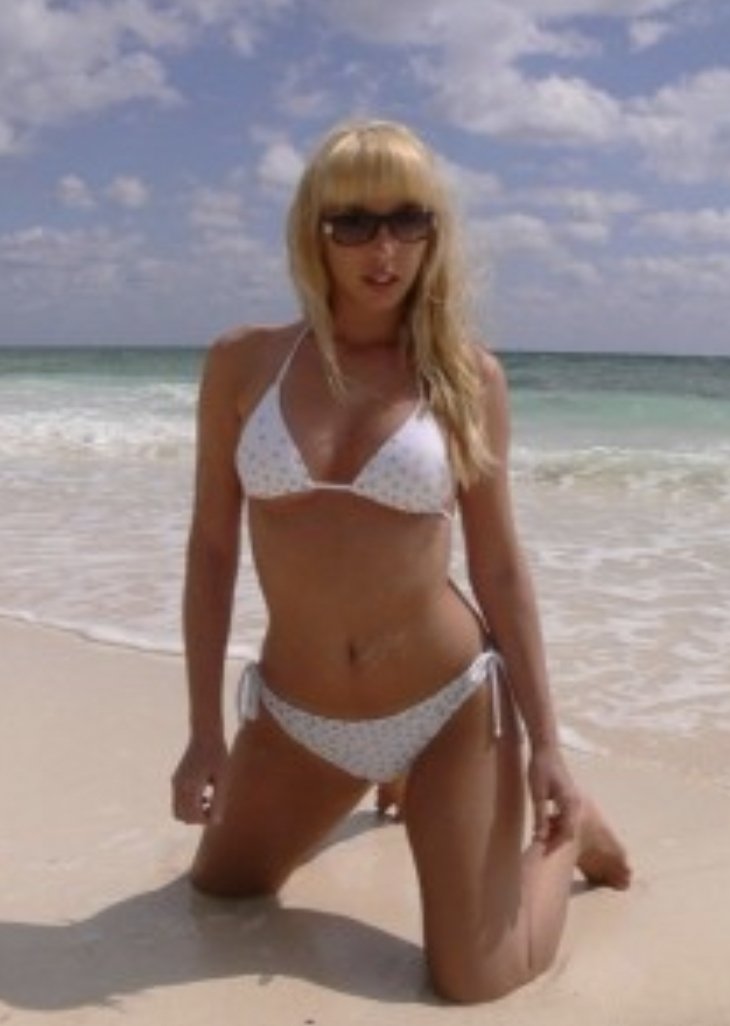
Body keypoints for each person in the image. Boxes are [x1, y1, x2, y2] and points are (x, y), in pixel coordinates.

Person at [171, 118, 630, 1004]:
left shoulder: (466, 378)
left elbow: (499, 567)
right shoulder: (242, 364)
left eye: (407, 220)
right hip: (299, 715)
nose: (383, 250)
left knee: (475, 981)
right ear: (315, 231)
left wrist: (548, 745)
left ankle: (570, 836)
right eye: (353, 223)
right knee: (221, 891)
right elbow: (212, 549)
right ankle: (388, 779)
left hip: (446, 706)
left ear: (433, 231)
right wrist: (202, 733)